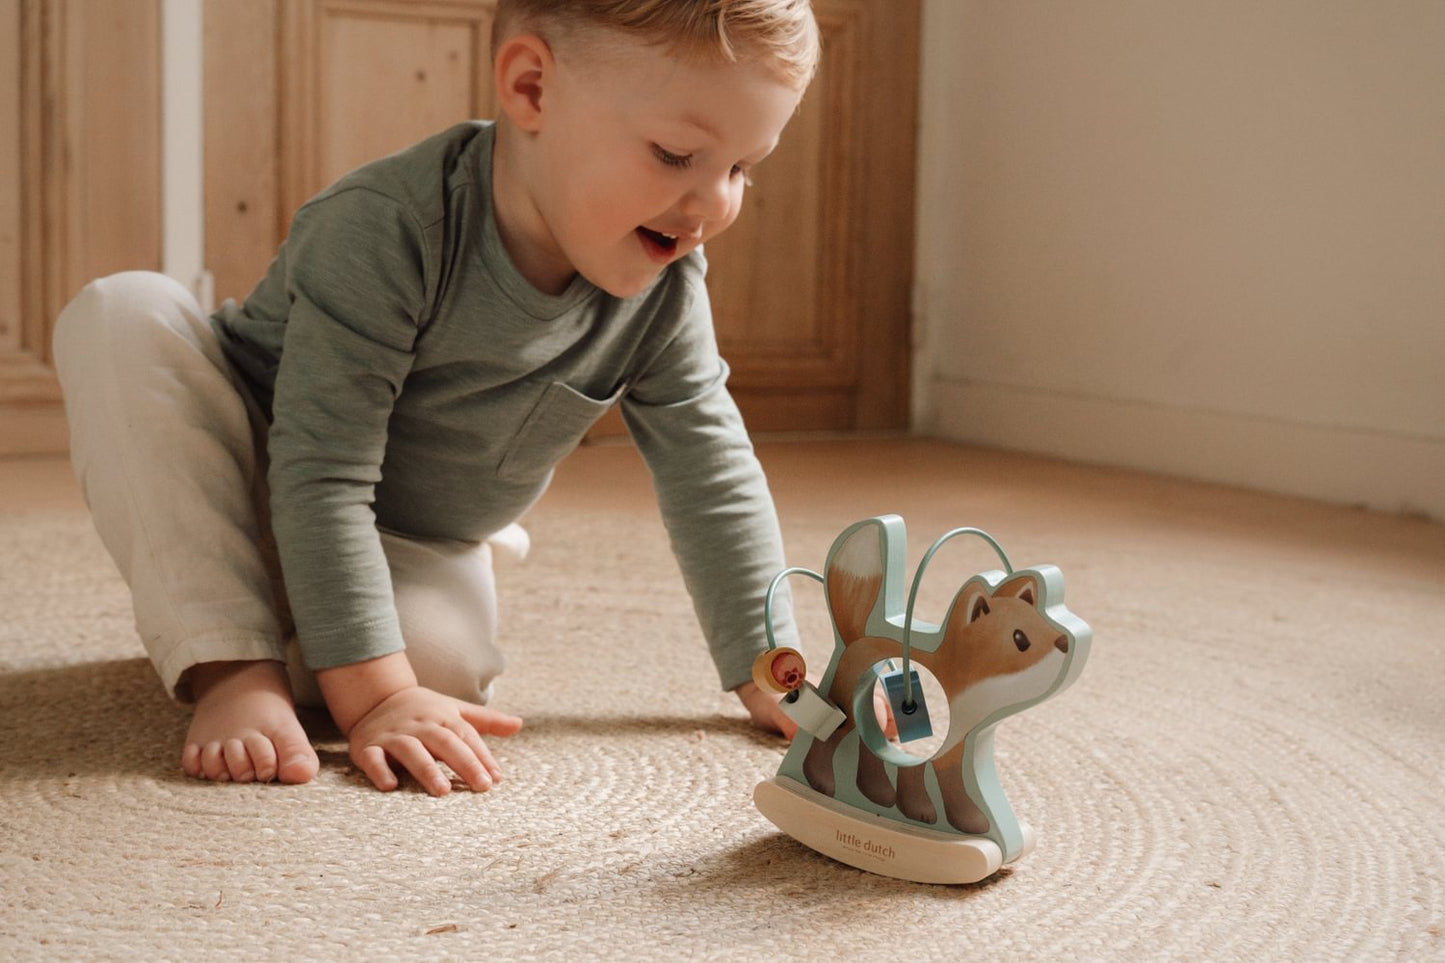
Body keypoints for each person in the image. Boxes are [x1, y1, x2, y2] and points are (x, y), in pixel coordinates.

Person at [51, 0, 818, 795]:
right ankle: (233, 662)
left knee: (443, 672)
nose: (713, 206)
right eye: (675, 153)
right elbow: (322, 469)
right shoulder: (389, 228)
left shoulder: (665, 290)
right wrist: (374, 697)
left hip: (409, 536)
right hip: (246, 472)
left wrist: (777, 674)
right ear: (530, 90)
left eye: (740, 169)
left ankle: (254, 611)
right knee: (125, 313)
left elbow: (712, 475)